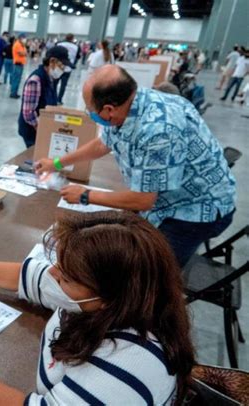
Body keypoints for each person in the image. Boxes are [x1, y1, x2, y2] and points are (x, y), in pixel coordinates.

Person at [0, 211, 195, 405]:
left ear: (110, 295)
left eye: (66, 276)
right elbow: (29, 277)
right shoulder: (99, 298)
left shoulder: (132, 362)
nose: (52, 274)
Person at [35, 65, 236, 268]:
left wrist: (85, 196)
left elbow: (143, 199)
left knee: (148, 274)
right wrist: (57, 163)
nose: (89, 113)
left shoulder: (159, 130)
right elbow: (103, 143)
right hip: (166, 201)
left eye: (90, 110)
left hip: (195, 211)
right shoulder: (130, 104)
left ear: (109, 110)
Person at [18, 46, 70, 148]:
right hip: (32, 131)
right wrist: (42, 130)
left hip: (43, 126)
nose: (63, 69)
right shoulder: (36, 80)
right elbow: (28, 113)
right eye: (62, 65)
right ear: (52, 61)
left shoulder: (49, 78)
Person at [54, 34, 80, 105]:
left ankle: (54, 98)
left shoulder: (59, 44)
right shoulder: (76, 47)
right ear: (72, 38)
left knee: (55, 84)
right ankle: (59, 99)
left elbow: (54, 54)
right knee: (63, 85)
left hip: (58, 66)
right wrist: (72, 64)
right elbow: (77, 57)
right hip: (68, 68)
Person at [10, 33, 27, 99]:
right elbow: (22, 53)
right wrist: (24, 53)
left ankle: (15, 92)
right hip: (17, 64)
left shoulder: (22, 45)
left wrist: (25, 52)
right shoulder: (17, 44)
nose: (25, 39)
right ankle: (13, 93)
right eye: (24, 38)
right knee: (16, 79)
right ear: (20, 38)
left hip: (21, 64)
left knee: (18, 79)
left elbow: (25, 52)